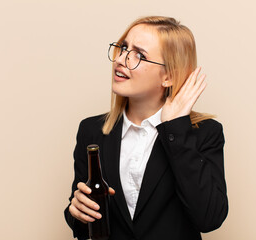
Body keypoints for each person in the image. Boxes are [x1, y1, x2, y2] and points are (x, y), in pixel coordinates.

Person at [64, 16, 228, 240]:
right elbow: (84, 219)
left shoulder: (205, 133)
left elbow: (209, 218)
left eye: (139, 55)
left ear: (168, 76)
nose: (121, 59)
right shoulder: (91, 130)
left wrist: (175, 129)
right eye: (123, 48)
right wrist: (77, 213)